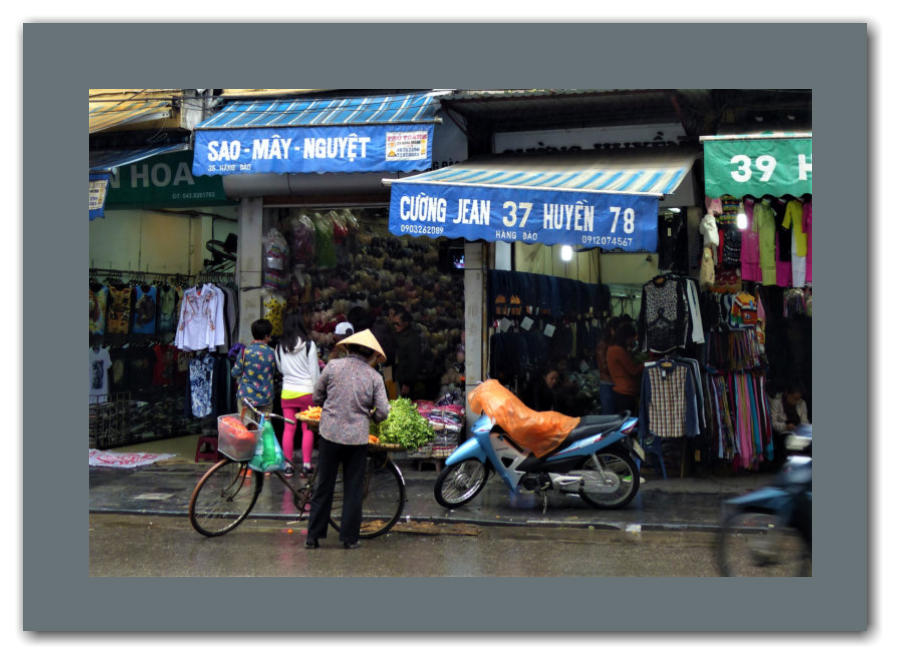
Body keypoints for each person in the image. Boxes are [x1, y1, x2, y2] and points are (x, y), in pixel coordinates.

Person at [305, 330, 390, 550]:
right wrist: (371, 415)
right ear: (370, 354)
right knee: (353, 489)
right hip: (356, 438)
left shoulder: (333, 367)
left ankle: (313, 537)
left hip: (330, 433)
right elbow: (383, 411)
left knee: (324, 485)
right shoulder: (374, 377)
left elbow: (317, 396)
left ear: (349, 348)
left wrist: (329, 404)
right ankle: (349, 538)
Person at [274, 311, 320, 477]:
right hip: (307, 392)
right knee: (307, 429)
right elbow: (314, 372)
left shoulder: (279, 347)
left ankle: (288, 465)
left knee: (288, 429)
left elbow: (280, 369)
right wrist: (318, 392)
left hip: (287, 393)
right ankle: (306, 465)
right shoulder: (309, 345)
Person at [232, 319, 277, 420]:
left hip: (246, 397)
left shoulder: (245, 352)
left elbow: (235, 372)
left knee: (247, 427)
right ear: (266, 336)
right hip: (266, 397)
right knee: (264, 427)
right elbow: (274, 372)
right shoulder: (272, 352)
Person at [606, 322, 643, 415]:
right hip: (626, 392)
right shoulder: (619, 351)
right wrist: (647, 363)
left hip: (620, 391)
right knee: (629, 421)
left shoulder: (611, 349)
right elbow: (633, 370)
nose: (632, 341)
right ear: (626, 338)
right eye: (631, 339)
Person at [769, 382, 811, 464]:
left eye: (798, 399)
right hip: (783, 433)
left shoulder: (801, 403)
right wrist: (785, 426)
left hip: (799, 433)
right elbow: (773, 423)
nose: (796, 402)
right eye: (794, 398)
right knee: (789, 441)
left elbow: (804, 421)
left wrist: (802, 428)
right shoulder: (776, 403)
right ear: (787, 394)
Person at [393, 308, 421, 399]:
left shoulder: (412, 339)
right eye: (394, 323)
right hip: (396, 376)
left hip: (404, 379)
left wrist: (407, 383)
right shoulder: (397, 334)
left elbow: (414, 362)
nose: (395, 326)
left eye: (397, 324)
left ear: (405, 323)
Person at [596, 316, 621, 414]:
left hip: (615, 383)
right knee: (609, 415)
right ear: (612, 330)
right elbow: (603, 366)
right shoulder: (603, 344)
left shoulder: (614, 343)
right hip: (607, 384)